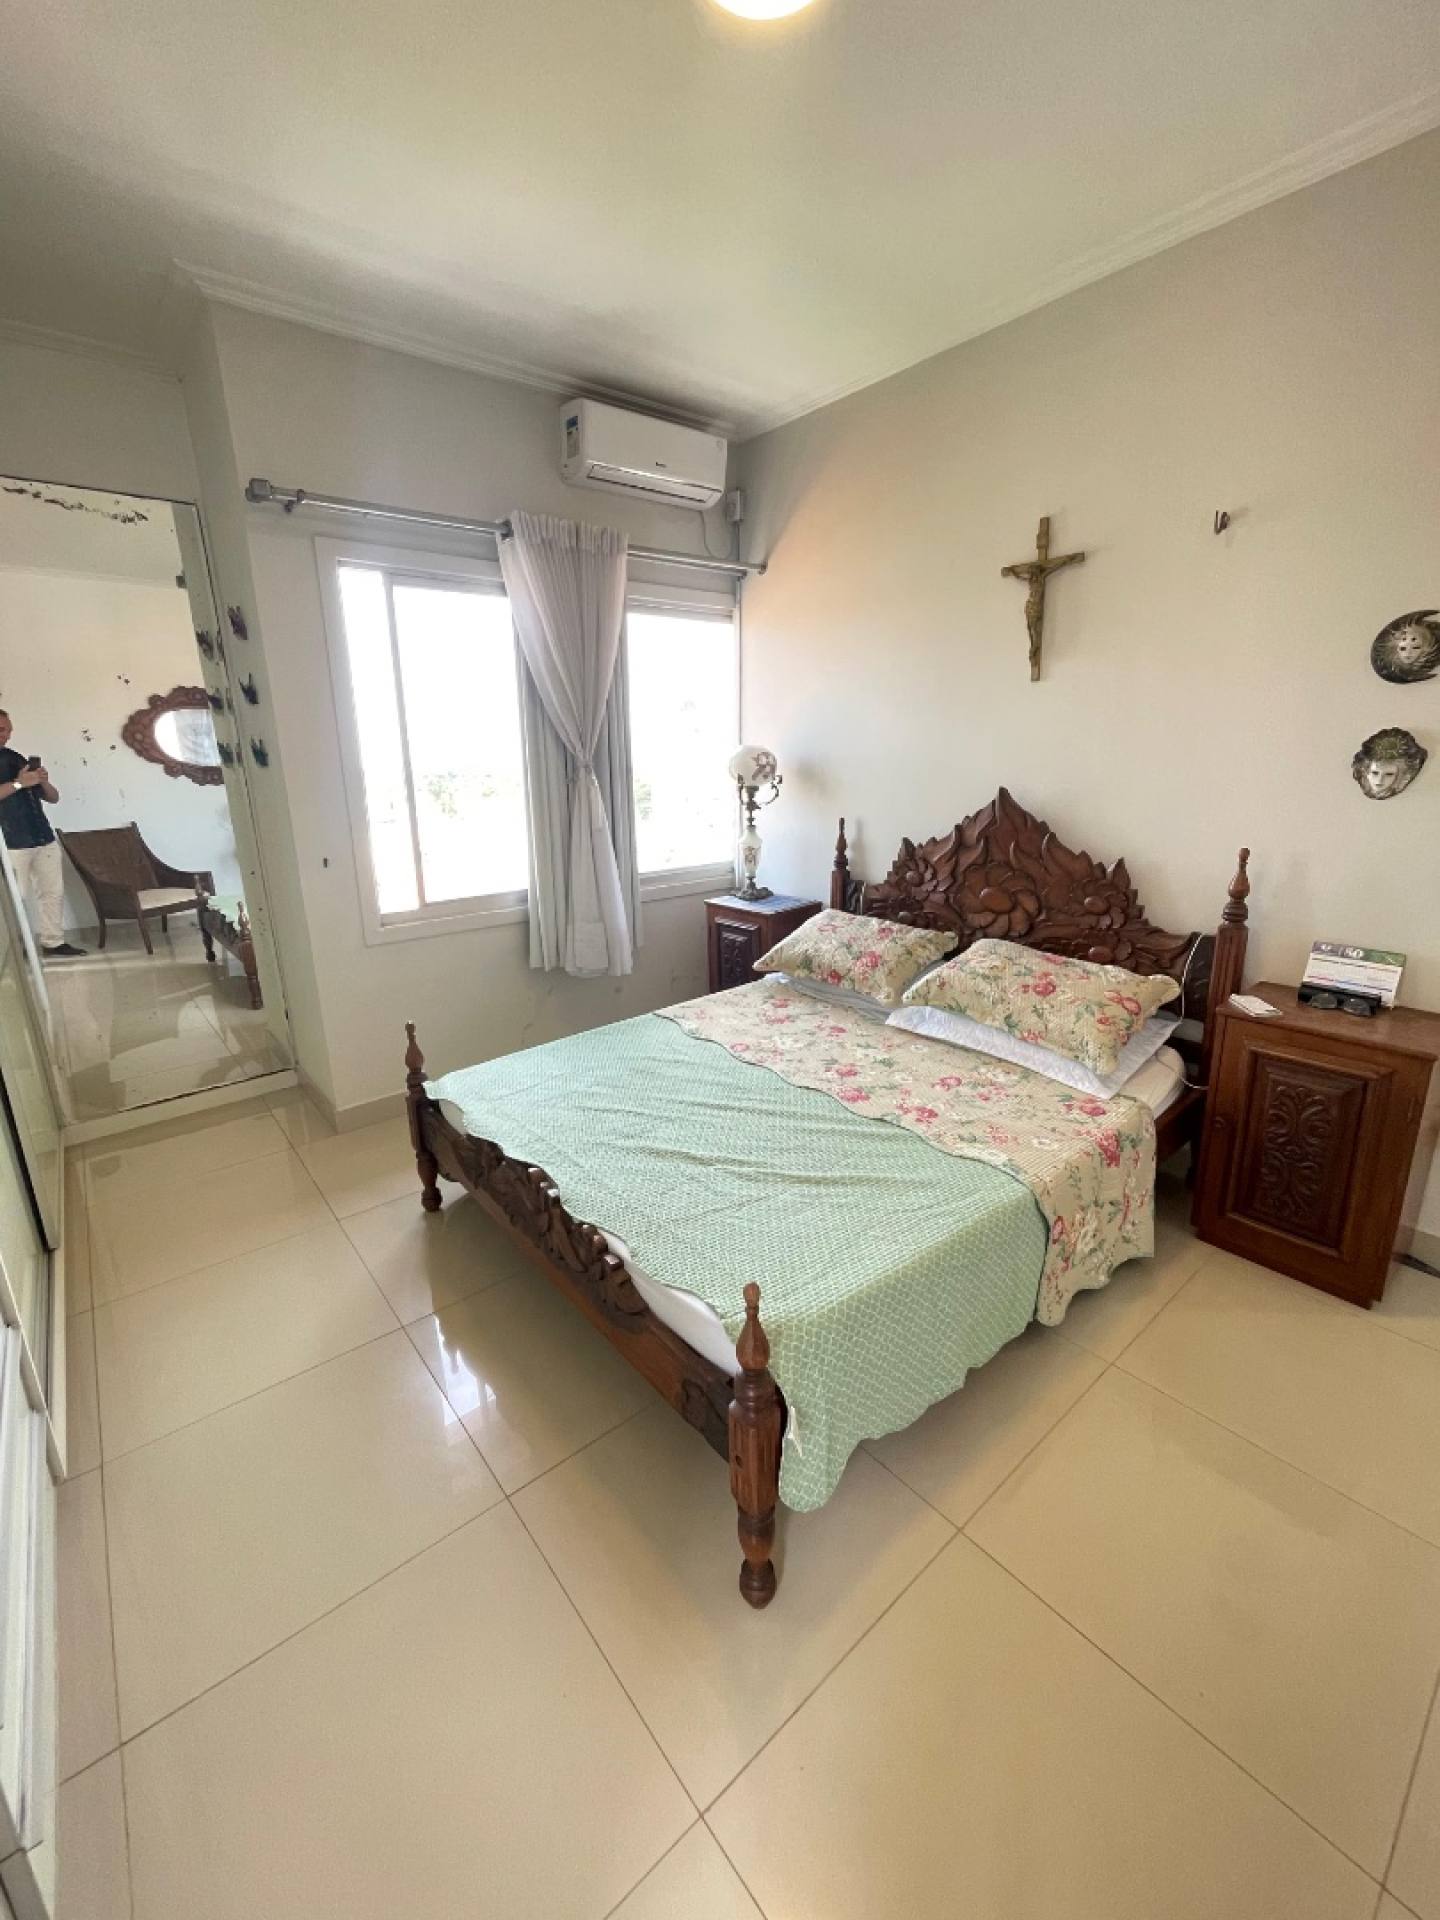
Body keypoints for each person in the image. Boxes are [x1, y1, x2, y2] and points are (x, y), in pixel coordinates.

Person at [0, 710, 87, 958]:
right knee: (14, 899)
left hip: (42, 836)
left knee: (52, 892)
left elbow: (53, 798)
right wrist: (19, 783)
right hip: (11, 842)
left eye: (8, 729)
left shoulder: (15, 758)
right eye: (2, 730)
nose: (7, 735)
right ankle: (14, 950)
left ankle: (53, 942)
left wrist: (42, 780)